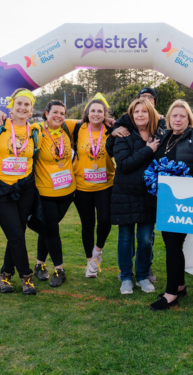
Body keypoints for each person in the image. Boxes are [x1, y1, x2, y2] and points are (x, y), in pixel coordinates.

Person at [149, 100, 193, 311]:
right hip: (167, 200)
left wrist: (188, 184)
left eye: (182, 116)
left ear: (189, 119)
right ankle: (179, 285)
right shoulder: (165, 137)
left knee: (173, 245)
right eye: (174, 115)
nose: (178, 119)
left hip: (186, 200)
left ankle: (171, 295)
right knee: (171, 243)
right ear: (169, 118)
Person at [0, 88, 41, 295]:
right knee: (15, 235)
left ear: (31, 110)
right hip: (1, 189)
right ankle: (26, 277)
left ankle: (5, 274)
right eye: (19, 104)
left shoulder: (36, 131)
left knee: (18, 234)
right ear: (11, 107)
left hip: (25, 189)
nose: (22, 108)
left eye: (27, 105)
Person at [109, 98, 165, 295]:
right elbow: (123, 164)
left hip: (149, 195)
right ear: (131, 115)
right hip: (125, 194)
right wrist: (148, 149)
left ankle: (142, 276)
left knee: (145, 239)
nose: (140, 115)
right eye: (136, 111)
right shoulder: (123, 134)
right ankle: (126, 277)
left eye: (144, 111)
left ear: (151, 114)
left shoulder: (160, 135)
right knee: (125, 237)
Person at [32, 100, 77, 287]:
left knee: (46, 228)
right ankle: (59, 269)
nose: (59, 116)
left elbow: (89, 119)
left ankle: (39, 264)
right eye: (55, 112)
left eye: (62, 113)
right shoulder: (37, 130)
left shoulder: (68, 128)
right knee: (51, 229)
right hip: (46, 191)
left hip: (67, 191)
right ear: (46, 113)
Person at [72, 96, 115, 278]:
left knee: (105, 220)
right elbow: (53, 120)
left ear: (105, 114)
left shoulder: (111, 130)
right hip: (82, 186)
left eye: (100, 111)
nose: (96, 114)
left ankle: (97, 250)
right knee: (87, 224)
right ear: (87, 113)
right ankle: (90, 261)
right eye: (93, 111)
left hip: (106, 184)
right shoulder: (77, 128)